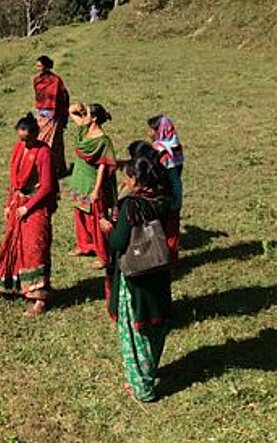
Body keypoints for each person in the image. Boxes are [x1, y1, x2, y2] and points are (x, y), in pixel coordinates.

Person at [100, 156, 173, 402]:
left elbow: (120, 242)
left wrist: (109, 229)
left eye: (128, 176)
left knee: (135, 332)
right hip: (159, 271)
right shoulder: (163, 200)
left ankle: (141, 386)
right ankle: (149, 370)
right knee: (155, 328)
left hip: (136, 276)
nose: (124, 180)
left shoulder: (132, 206)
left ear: (136, 180)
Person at [0, 113, 59, 316]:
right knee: (14, 243)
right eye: (21, 138)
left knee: (35, 248)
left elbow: (47, 186)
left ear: (36, 135)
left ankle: (40, 298)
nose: (23, 142)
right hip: (18, 204)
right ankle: (12, 283)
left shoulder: (44, 153)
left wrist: (28, 207)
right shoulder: (19, 148)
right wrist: (9, 203)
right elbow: (13, 179)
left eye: (27, 139)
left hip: (36, 206)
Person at [68, 102, 117, 268]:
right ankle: (84, 246)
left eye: (87, 114)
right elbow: (71, 111)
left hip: (92, 183)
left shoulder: (103, 141)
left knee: (96, 220)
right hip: (79, 180)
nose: (83, 116)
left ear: (94, 118)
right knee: (80, 216)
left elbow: (104, 166)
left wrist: (96, 190)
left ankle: (103, 255)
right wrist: (80, 107)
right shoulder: (84, 129)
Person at [147, 115, 185, 267]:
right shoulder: (176, 146)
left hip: (163, 194)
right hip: (176, 192)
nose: (149, 132)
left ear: (159, 131)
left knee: (160, 228)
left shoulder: (159, 149)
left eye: (151, 129)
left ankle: (162, 262)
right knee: (173, 230)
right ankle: (173, 261)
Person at [32, 55, 69, 179]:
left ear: (46, 66)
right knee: (47, 141)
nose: (38, 68)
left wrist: (62, 114)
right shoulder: (37, 80)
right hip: (41, 113)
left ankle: (50, 170)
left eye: (40, 66)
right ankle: (52, 169)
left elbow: (63, 96)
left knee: (49, 143)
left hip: (53, 114)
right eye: (37, 66)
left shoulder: (56, 80)